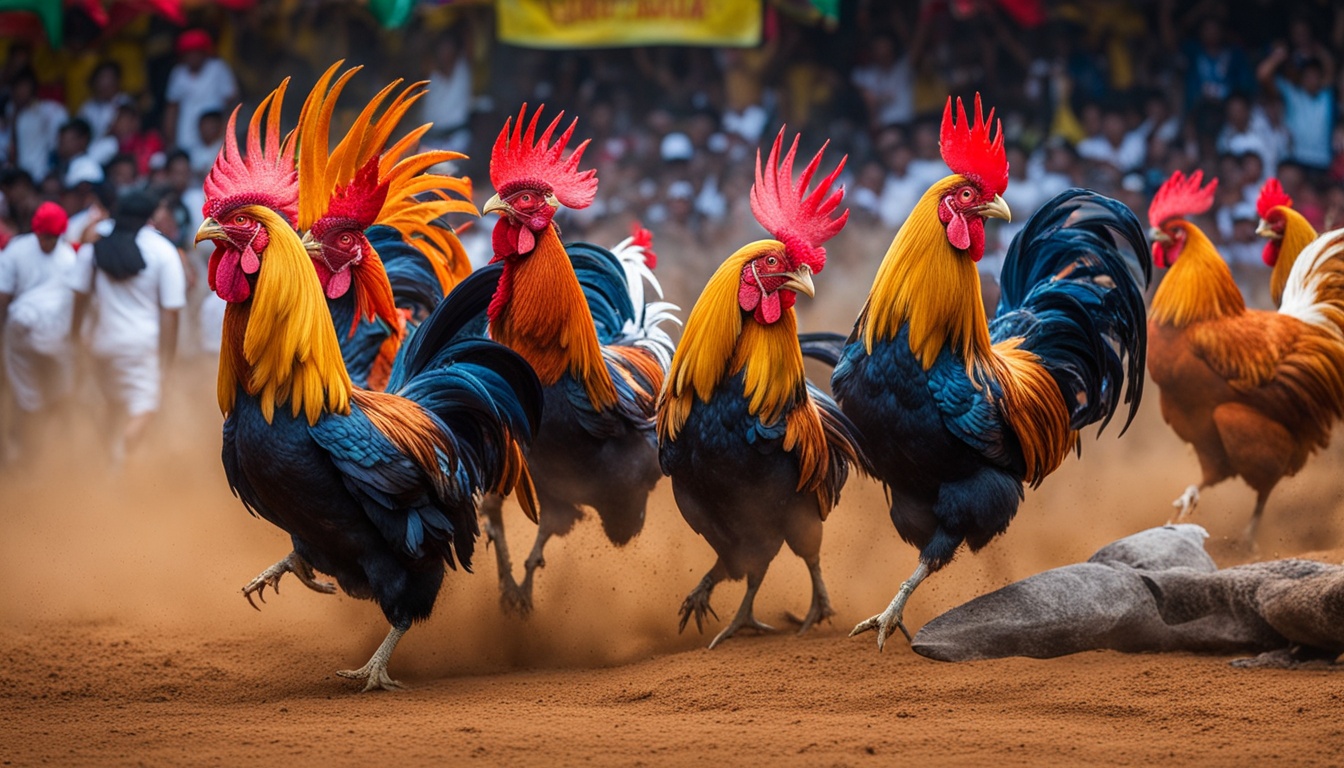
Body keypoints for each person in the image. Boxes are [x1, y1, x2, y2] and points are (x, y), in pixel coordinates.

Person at [68, 191, 185, 463]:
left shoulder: (95, 247)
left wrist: (75, 336)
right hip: (141, 346)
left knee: (110, 404)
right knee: (146, 408)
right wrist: (167, 359)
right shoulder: (163, 251)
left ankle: (104, 458)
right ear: (150, 216)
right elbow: (171, 313)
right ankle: (117, 460)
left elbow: (79, 297)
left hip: (101, 344)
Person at [0, 202, 78, 461]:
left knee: (57, 393)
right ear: (36, 232)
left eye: (53, 238)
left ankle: (57, 452)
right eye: (45, 237)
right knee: (29, 397)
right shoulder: (16, 251)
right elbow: (3, 297)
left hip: (53, 332)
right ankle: (26, 454)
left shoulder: (67, 256)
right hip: (22, 330)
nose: (48, 242)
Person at [1258, 46, 1336, 173]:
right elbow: (1263, 75)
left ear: (1321, 78)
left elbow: (1330, 69)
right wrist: (1276, 58)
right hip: (1296, 161)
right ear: (1301, 77)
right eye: (1308, 76)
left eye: (1315, 76)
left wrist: (1315, 48)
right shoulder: (1292, 94)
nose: (1311, 79)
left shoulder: (1326, 96)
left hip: (1322, 163)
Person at [161, 29, 237, 157]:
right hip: (186, 133)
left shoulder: (218, 68)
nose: (193, 57)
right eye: (189, 53)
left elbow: (231, 102)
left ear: (204, 53)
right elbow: (172, 108)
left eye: (196, 52)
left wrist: (225, 132)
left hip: (213, 132)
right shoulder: (179, 73)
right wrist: (170, 140)